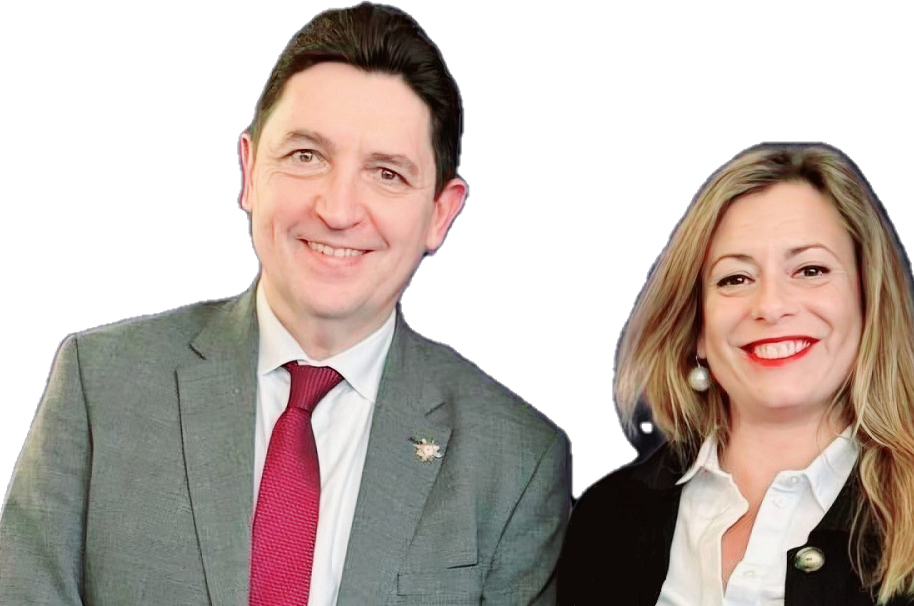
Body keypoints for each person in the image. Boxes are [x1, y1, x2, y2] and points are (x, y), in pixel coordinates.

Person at [0, 4, 570, 605]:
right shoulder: (100, 386)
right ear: (249, 171)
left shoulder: (517, 462)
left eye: (387, 173)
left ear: (440, 213)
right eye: (306, 156)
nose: (338, 210)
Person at [556, 143, 914, 605]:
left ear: (870, 306)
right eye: (735, 278)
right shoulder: (607, 521)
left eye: (810, 270)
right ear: (697, 327)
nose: (770, 305)